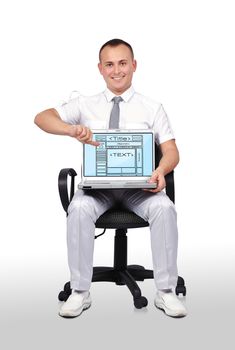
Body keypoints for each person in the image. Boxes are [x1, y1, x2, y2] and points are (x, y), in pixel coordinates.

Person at [34, 38, 187, 318]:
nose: (117, 70)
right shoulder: (84, 104)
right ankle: (80, 292)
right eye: (109, 64)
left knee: (165, 208)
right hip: (98, 190)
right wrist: (71, 130)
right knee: (78, 208)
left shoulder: (152, 108)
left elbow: (171, 151)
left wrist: (161, 170)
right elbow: (41, 118)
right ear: (101, 69)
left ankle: (166, 292)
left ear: (134, 66)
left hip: (139, 189)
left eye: (123, 63)